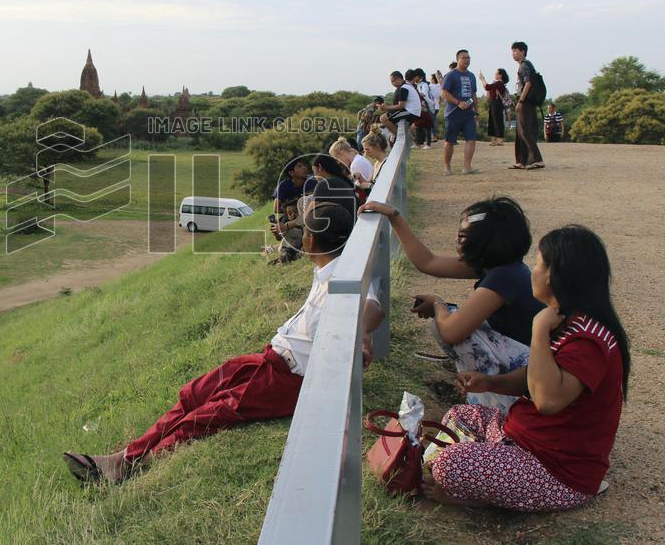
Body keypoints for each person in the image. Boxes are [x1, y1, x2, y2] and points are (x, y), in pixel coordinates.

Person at [62, 204, 386, 484]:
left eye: (303, 229)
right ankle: (122, 456)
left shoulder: (344, 275)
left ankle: (128, 465)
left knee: (205, 416)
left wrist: (359, 329)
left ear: (311, 240)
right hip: (269, 359)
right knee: (194, 394)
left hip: (287, 377)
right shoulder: (329, 267)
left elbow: (373, 308)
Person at [424, 226, 630, 512]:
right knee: (459, 416)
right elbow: (536, 376)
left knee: (449, 464)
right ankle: (479, 471)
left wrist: (539, 329)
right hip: (522, 439)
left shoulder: (587, 339)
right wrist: (489, 383)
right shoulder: (569, 321)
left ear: (556, 275)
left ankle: (472, 497)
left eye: (538, 263)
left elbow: (548, 401)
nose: (532, 271)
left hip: (554, 471)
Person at [358, 196, 545, 412]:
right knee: (450, 315)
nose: (457, 242)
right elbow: (428, 262)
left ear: (486, 244)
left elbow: (451, 332)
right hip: (526, 357)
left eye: (463, 237)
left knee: (449, 320)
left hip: (530, 367)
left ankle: (497, 405)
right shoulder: (499, 266)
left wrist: (438, 303)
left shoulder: (504, 277)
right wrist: (395, 217)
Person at [441, 50, 478, 176]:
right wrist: (457, 102)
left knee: (471, 139)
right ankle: (447, 167)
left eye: (468, 57)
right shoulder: (451, 75)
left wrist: (476, 111)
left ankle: (467, 167)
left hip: (468, 114)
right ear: (458, 59)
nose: (467, 60)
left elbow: (473, 94)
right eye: (464, 58)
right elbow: (444, 92)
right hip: (453, 113)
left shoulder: (472, 76)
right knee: (450, 141)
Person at [511, 41, 545, 170]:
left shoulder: (525, 65)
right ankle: (522, 160)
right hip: (526, 101)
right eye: (513, 51)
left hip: (526, 102)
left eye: (516, 51)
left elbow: (528, 83)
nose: (513, 54)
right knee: (520, 132)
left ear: (523, 52)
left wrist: (521, 101)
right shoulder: (525, 65)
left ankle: (537, 159)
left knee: (526, 131)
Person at [377, 70, 421, 135]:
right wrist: (387, 107)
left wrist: (386, 108)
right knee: (385, 116)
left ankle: (400, 136)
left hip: (411, 112)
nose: (392, 83)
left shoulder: (403, 88)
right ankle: (402, 136)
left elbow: (401, 106)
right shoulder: (407, 85)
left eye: (393, 81)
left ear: (398, 79)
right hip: (413, 111)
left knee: (383, 118)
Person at [478, 68, 510, 146]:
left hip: (497, 104)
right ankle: (495, 140)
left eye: (497, 72)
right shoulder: (498, 83)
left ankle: (499, 140)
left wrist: (483, 79)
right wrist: (483, 80)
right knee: (493, 121)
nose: (495, 74)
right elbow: (487, 88)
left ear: (500, 75)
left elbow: (487, 87)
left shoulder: (499, 83)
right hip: (494, 103)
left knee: (497, 121)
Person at [413, 68, 434, 149]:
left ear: (420, 77)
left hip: (426, 106)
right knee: (419, 125)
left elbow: (424, 94)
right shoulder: (417, 85)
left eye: (416, 76)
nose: (415, 78)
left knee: (427, 125)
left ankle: (428, 144)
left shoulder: (424, 85)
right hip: (419, 106)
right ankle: (418, 142)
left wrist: (415, 93)